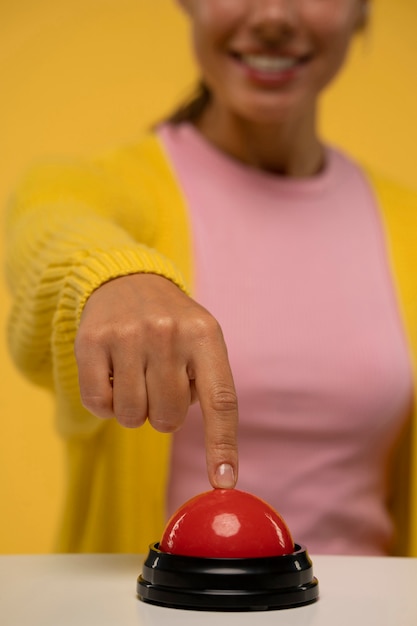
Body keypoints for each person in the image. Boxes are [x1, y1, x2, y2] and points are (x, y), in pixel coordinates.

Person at [5, 0, 417, 556]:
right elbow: (48, 230)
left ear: (362, 11)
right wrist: (109, 277)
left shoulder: (407, 224)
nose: (273, 15)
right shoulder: (95, 186)